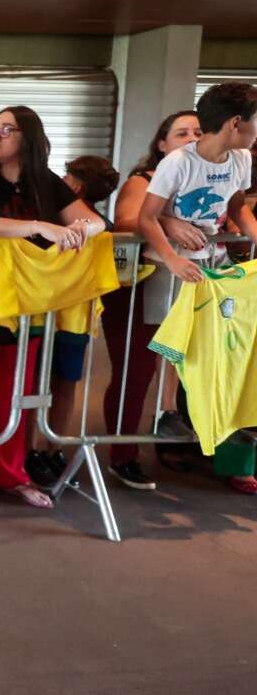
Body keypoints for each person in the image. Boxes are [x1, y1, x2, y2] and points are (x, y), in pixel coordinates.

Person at [0, 106, 105, 511]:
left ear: (27, 137)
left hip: (30, 299)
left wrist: (80, 230)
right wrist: (37, 226)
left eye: (5, 129)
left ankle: (8, 473)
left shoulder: (45, 182)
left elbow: (95, 221)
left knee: (15, 390)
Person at [138, 82, 257, 495]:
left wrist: (252, 235)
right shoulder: (177, 163)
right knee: (175, 340)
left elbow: (238, 206)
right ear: (236, 122)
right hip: (172, 263)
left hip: (213, 259)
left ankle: (225, 422)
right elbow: (147, 217)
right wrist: (172, 258)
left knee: (220, 340)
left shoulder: (241, 159)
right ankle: (166, 411)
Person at [102, 111, 202, 488]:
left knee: (181, 366)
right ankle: (122, 454)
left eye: (197, 132)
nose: (191, 138)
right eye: (181, 133)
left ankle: (178, 434)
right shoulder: (142, 180)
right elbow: (128, 220)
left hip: (187, 285)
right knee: (135, 373)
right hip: (138, 288)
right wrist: (168, 223)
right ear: (162, 143)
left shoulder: (208, 180)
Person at [22, 156, 120, 488]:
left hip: (63, 314)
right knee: (62, 383)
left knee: (45, 381)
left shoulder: (91, 225)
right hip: (63, 314)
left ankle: (39, 449)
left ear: (75, 187)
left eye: (67, 176)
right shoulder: (58, 221)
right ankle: (48, 448)